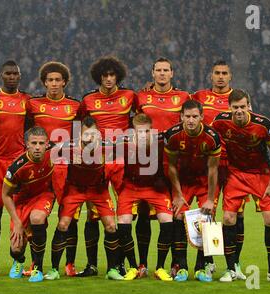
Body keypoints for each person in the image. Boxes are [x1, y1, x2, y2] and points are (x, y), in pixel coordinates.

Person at [212, 89, 270, 283]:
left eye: (242, 107)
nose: (239, 110)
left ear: (249, 106)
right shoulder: (220, 122)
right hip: (236, 174)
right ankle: (231, 270)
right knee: (229, 218)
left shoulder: (263, 124)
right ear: (229, 107)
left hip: (260, 176)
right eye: (235, 107)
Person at [44, 116, 124, 280]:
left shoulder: (107, 147)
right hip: (75, 190)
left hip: (98, 191)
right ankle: (53, 270)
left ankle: (112, 270)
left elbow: (130, 150)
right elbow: (47, 151)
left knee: (110, 226)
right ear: (80, 135)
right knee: (63, 224)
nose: (90, 138)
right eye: (86, 134)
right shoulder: (68, 147)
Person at [77, 56, 137, 277]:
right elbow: (81, 126)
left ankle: (119, 263)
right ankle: (91, 265)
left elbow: (140, 121)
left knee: (124, 214)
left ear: (117, 76)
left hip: (122, 161)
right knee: (93, 214)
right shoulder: (89, 100)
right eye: (105, 76)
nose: (109, 79)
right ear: (99, 77)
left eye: (112, 75)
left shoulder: (130, 96)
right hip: (97, 162)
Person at [135, 57, 190, 278]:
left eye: (166, 70)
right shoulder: (141, 97)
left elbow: (193, 118)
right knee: (142, 213)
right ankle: (142, 264)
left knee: (176, 215)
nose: (162, 74)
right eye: (158, 70)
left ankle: (176, 263)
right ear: (152, 73)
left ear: (172, 73)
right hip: (147, 163)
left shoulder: (184, 97)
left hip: (175, 164)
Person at [192, 60, 247, 278]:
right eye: (217, 73)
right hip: (210, 164)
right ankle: (208, 261)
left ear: (231, 76)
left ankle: (235, 264)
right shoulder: (198, 97)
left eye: (225, 73)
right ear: (211, 76)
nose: (221, 77)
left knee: (237, 215)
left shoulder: (239, 100)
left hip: (234, 166)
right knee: (209, 214)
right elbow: (184, 111)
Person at [26, 61, 81, 277]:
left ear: (65, 82)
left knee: (70, 217)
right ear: (44, 82)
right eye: (50, 80)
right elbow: (27, 133)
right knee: (37, 216)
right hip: (41, 171)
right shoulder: (34, 105)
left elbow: (79, 136)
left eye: (58, 80)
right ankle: (35, 262)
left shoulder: (75, 106)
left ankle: (70, 263)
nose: (54, 84)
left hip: (67, 169)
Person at [165, 99, 221, 282]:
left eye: (194, 116)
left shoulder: (212, 137)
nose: (190, 120)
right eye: (187, 116)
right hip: (184, 181)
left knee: (209, 217)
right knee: (178, 216)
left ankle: (204, 266)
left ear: (202, 117)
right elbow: (171, 167)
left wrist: (210, 199)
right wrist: (179, 195)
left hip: (205, 181)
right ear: (181, 116)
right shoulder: (172, 135)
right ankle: (181, 266)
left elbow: (213, 169)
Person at [115, 113, 173, 281]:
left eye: (146, 132)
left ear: (151, 131)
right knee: (123, 223)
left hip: (155, 188)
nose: (143, 135)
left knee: (167, 221)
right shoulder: (123, 143)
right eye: (139, 132)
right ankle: (134, 267)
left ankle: (160, 267)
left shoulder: (161, 141)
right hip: (131, 188)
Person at [0, 60, 32, 275]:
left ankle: (19, 259)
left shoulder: (27, 100)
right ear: (1, 75)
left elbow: (33, 129)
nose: (12, 77)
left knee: (21, 214)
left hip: (18, 162)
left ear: (20, 76)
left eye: (15, 73)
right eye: (8, 73)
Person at [2, 126, 55, 282]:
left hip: (44, 195)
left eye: (41, 143)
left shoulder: (56, 151)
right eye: (34, 143)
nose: (38, 147)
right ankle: (18, 261)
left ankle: (37, 268)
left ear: (47, 144)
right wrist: (17, 222)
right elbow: (5, 195)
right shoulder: (17, 167)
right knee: (16, 247)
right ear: (27, 145)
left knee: (37, 218)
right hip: (21, 200)